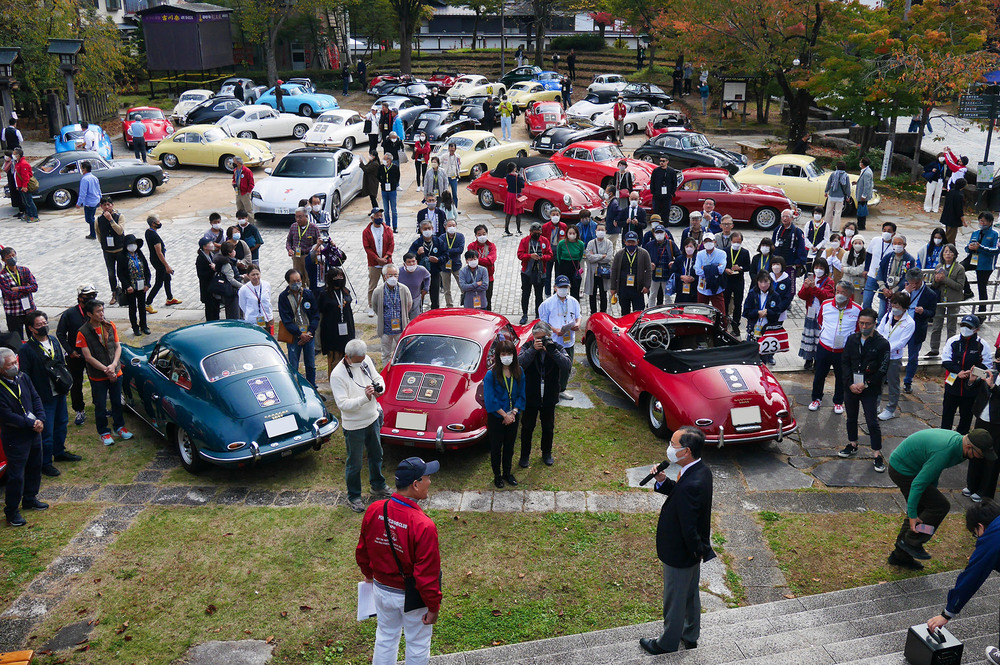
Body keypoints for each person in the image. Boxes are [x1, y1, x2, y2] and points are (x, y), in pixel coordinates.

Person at [355, 456, 440, 664]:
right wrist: (433, 607)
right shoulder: (424, 525)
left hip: (382, 591)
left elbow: (362, 551)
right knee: (417, 644)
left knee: (385, 637)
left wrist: (368, 575)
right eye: (427, 477)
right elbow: (426, 575)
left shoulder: (375, 509)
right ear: (416, 484)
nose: (430, 482)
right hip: (411, 596)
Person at [639, 427, 715, 656]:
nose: (669, 448)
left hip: (680, 553)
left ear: (686, 452)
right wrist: (663, 481)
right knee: (691, 594)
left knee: (674, 598)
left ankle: (667, 643)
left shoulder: (691, 484)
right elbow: (683, 499)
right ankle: (690, 635)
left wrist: (695, 551)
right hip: (692, 552)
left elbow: (688, 525)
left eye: (673, 445)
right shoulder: (701, 471)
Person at [887, 428, 994, 570]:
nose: (980, 458)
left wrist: (931, 491)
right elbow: (918, 484)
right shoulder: (945, 450)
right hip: (902, 469)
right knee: (940, 506)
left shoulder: (959, 447)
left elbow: (935, 470)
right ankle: (912, 542)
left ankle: (900, 556)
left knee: (925, 510)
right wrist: (912, 514)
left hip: (915, 468)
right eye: (980, 455)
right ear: (969, 447)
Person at [925, 501, 1000, 665]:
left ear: (980, 527)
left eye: (975, 533)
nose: (978, 538)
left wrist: (947, 613)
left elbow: (972, 577)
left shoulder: (992, 537)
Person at [332, 338, 390, 514]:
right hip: (354, 426)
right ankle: (354, 496)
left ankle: (378, 485)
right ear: (347, 357)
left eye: (362, 360)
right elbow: (343, 405)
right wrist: (364, 398)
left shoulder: (365, 361)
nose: (360, 364)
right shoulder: (337, 375)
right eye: (356, 362)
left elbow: (378, 377)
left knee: (377, 454)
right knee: (355, 463)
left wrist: (380, 387)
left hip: (372, 419)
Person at [19, 310, 78, 478]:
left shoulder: (53, 341)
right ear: (31, 328)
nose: (44, 327)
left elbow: (60, 362)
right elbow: (26, 375)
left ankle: (59, 452)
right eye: (39, 325)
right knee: (47, 431)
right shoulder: (26, 349)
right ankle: (45, 462)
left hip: (59, 391)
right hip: (44, 396)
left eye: (45, 323)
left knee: (62, 423)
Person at [0, 347, 48, 527]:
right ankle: (11, 512)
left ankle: (30, 498)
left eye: (15, 362)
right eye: (10, 364)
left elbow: (36, 398)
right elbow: (6, 415)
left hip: (33, 431)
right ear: (1, 369)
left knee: (35, 466)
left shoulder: (23, 377)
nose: (15, 366)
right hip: (15, 437)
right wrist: (31, 423)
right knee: (16, 476)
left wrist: (41, 419)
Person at [840, 307, 890, 472]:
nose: (864, 326)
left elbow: (883, 369)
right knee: (851, 418)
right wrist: (849, 384)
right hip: (851, 386)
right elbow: (845, 362)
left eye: (868, 324)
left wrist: (866, 383)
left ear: (874, 324)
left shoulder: (882, 344)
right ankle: (852, 443)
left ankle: (877, 454)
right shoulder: (852, 339)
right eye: (861, 323)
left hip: (869, 388)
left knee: (872, 421)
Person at [75, 299, 131, 447]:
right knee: (100, 404)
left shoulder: (110, 325)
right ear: (89, 314)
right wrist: (106, 369)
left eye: (102, 310)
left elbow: (118, 347)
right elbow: (88, 357)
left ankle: (119, 426)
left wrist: (113, 365)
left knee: (117, 401)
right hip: (98, 375)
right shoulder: (83, 332)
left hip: (115, 371)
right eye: (98, 311)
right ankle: (103, 432)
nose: (101, 314)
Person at [519, 321, 571, 468]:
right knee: (527, 427)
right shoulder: (528, 347)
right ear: (533, 337)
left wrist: (552, 351)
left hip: (549, 394)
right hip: (531, 395)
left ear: (550, 336)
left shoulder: (556, 348)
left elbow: (567, 365)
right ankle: (524, 456)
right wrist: (533, 350)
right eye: (538, 338)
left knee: (548, 427)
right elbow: (519, 364)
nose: (541, 341)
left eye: (544, 338)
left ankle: (546, 453)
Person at [808, 281, 862, 414]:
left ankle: (838, 402)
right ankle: (816, 399)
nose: (839, 295)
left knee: (842, 377)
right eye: (837, 291)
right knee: (819, 375)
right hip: (824, 347)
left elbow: (857, 330)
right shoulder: (826, 305)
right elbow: (820, 321)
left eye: (843, 292)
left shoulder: (857, 310)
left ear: (850, 294)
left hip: (843, 351)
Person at [483, 338, 527, 489]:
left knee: (509, 447)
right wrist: (505, 415)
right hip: (497, 418)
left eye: (509, 353)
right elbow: (490, 400)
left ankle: (507, 473)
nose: (506, 356)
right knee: (496, 448)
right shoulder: (491, 375)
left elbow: (522, 394)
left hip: (513, 416)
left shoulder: (519, 372)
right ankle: (497, 476)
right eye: (503, 353)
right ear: (498, 355)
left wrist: (513, 413)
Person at [942, 315, 993, 434]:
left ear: (976, 329)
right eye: (963, 325)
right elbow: (946, 360)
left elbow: (987, 365)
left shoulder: (982, 345)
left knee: (966, 418)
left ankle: (961, 441)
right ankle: (944, 437)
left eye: (969, 326)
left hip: (971, 389)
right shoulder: (953, 341)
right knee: (947, 415)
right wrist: (958, 371)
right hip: (952, 383)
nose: (965, 328)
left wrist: (973, 373)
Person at [57, 285, 97, 427]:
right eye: (88, 296)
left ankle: (99, 406)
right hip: (75, 356)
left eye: (93, 295)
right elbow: (60, 334)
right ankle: (79, 409)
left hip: (93, 354)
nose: (91, 298)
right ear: (80, 297)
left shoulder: (95, 311)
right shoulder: (69, 314)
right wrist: (70, 350)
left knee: (97, 381)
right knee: (76, 383)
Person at [537, 274, 581, 399]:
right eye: (561, 287)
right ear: (555, 287)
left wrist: (577, 324)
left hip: (568, 340)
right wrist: (555, 330)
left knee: (567, 366)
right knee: (552, 366)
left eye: (566, 287)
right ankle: (551, 389)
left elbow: (578, 316)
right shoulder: (547, 304)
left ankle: (562, 388)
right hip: (554, 341)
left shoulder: (573, 301)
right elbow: (543, 321)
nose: (563, 289)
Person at [875, 291, 915, 422]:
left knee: (893, 384)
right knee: (877, 382)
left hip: (894, 357)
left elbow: (902, 342)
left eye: (898, 306)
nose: (895, 308)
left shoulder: (909, 322)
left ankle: (891, 409)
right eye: (893, 305)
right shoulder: (888, 315)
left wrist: (885, 348)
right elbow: (880, 330)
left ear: (904, 307)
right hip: (881, 355)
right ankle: (875, 405)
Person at [278, 269, 319, 388]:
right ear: (288, 282)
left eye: (299, 281)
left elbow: (315, 315)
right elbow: (286, 319)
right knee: (294, 364)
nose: (297, 283)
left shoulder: (308, 294)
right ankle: (295, 388)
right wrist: (299, 334)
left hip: (309, 335)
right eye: (294, 281)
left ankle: (313, 388)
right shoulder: (284, 297)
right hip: (294, 336)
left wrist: (310, 332)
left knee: (310, 364)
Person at [901, 268, 937, 393]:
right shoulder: (905, 289)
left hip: (917, 328)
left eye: (916, 283)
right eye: (911, 282)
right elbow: (895, 303)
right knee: (893, 352)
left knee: (913, 357)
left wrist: (923, 311)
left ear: (922, 280)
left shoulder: (930, 294)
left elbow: (932, 312)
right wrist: (905, 292)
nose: (913, 285)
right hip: (901, 326)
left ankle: (908, 381)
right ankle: (889, 376)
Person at [929, 244, 966, 357]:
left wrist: (945, 279)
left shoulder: (959, 268)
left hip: (953, 300)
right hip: (940, 300)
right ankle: (934, 349)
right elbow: (933, 285)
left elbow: (959, 286)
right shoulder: (939, 266)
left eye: (950, 252)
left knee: (951, 326)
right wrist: (936, 280)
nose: (948, 254)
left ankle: (950, 349)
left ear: (954, 254)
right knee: (936, 326)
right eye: (945, 252)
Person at [797, 257, 835, 369]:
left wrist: (814, 288)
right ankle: (808, 359)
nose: (818, 270)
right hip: (810, 312)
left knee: (819, 337)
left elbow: (826, 296)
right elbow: (801, 295)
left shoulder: (829, 282)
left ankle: (819, 360)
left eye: (821, 268)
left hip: (822, 314)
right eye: (816, 267)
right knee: (809, 336)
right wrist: (806, 287)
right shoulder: (810, 279)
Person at [372, 264, 412, 364]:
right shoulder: (378, 291)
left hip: (400, 328)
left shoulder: (404, 289)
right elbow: (375, 307)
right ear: (385, 276)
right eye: (390, 275)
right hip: (386, 329)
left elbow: (409, 304)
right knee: (386, 354)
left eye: (396, 275)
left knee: (403, 352)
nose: (393, 277)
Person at [317, 267, 354, 371]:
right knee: (335, 359)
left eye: (341, 276)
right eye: (336, 276)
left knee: (347, 357)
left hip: (346, 329)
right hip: (332, 331)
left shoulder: (346, 292)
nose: (339, 278)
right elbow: (320, 311)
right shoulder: (324, 294)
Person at [517, 222, 553, 324]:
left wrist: (542, 257)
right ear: (530, 232)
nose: (537, 234)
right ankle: (524, 314)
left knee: (539, 295)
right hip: (527, 272)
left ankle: (538, 315)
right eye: (534, 232)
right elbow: (519, 255)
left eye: (539, 233)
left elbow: (550, 255)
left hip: (541, 272)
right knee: (525, 294)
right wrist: (530, 256)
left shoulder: (544, 241)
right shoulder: (524, 241)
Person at [116, 234, 152, 336]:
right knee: (132, 308)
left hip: (141, 286)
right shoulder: (122, 256)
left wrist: (148, 284)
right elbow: (120, 274)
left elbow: (146, 269)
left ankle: (144, 325)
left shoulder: (139, 254)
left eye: (134, 244)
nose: (133, 246)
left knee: (142, 306)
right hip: (131, 287)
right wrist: (127, 286)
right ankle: (135, 327)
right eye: (130, 244)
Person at [0, 247, 38, 339]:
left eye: (13, 255)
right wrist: (26, 289)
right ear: (3, 260)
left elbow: (34, 287)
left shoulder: (25, 270)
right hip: (14, 312)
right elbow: (10, 295)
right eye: (9, 257)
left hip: (29, 309)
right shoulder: (2, 275)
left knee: (34, 337)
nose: (12, 258)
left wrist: (18, 288)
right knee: (17, 339)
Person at [875, 233, 915, 320]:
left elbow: (907, 278)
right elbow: (880, 273)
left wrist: (893, 290)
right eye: (895, 243)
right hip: (885, 292)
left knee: (896, 316)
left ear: (904, 245)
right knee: (881, 315)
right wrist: (884, 289)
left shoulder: (910, 260)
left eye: (899, 243)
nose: (897, 246)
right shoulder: (887, 257)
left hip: (899, 294)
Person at [363, 208, 394, 317]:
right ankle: (371, 306)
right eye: (377, 216)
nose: (380, 218)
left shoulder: (387, 229)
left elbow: (391, 244)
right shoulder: (366, 232)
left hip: (386, 262)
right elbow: (367, 248)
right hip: (374, 263)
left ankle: (390, 304)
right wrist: (377, 259)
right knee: (372, 286)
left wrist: (386, 257)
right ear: (372, 218)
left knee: (389, 283)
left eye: (381, 216)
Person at [610, 232, 651, 315]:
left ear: (637, 242)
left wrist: (647, 286)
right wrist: (613, 287)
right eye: (629, 242)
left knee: (639, 312)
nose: (631, 244)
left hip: (637, 288)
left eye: (633, 242)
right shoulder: (619, 254)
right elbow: (614, 271)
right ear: (624, 242)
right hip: (623, 288)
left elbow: (648, 270)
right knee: (625, 312)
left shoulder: (644, 253)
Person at [144, 215, 178, 311]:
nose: (159, 223)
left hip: (154, 259)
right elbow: (159, 252)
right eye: (157, 222)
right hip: (158, 261)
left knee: (167, 278)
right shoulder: (154, 236)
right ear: (153, 224)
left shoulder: (148, 232)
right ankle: (148, 303)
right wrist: (166, 265)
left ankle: (170, 298)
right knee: (159, 282)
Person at [968, 212, 999, 313]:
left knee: (982, 287)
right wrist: (969, 248)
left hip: (985, 264)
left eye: (984, 221)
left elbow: (995, 250)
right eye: (980, 220)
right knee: (959, 268)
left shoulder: (995, 234)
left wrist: (980, 247)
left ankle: (982, 312)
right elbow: (967, 247)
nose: (982, 223)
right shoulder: (975, 233)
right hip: (974, 259)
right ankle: (967, 291)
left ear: (990, 222)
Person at [771, 209, 807, 294]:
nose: (785, 218)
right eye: (783, 216)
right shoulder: (778, 229)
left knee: (790, 283)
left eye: (787, 216)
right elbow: (772, 243)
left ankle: (788, 299)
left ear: (791, 218)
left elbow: (801, 246)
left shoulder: (797, 231)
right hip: (778, 262)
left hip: (790, 263)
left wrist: (799, 260)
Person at [96, 197, 125, 303]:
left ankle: (125, 292)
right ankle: (114, 293)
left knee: (122, 272)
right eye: (104, 205)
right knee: (111, 273)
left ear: (112, 205)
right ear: (101, 207)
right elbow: (99, 234)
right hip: (108, 251)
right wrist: (104, 245)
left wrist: (111, 220)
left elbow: (120, 231)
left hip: (120, 249)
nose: (107, 207)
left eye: (109, 204)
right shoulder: (98, 219)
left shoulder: (119, 216)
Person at [410, 220, 444, 311]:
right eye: (425, 229)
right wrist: (417, 254)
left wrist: (438, 260)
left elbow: (446, 255)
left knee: (435, 297)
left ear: (432, 229)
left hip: (435, 272)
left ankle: (435, 315)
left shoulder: (439, 242)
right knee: (419, 296)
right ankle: (418, 313)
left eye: (429, 228)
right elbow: (408, 258)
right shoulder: (417, 243)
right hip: (420, 275)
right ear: (421, 230)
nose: (427, 230)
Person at [863, 221, 897, 309]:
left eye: (889, 231)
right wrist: (866, 269)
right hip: (872, 275)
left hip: (885, 278)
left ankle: (880, 321)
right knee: (866, 301)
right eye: (884, 230)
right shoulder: (875, 240)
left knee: (883, 305)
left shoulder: (894, 245)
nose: (886, 233)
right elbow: (869, 255)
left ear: (893, 234)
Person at [694, 232, 727, 318]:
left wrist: (704, 268)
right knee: (700, 313)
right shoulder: (700, 254)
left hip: (716, 287)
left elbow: (721, 270)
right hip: (702, 288)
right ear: (703, 243)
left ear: (714, 242)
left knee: (721, 314)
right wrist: (714, 267)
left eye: (710, 241)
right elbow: (697, 271)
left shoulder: (721, 253)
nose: (708, 243)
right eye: (706, 241)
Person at [724, 232, 751, 335]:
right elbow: (721, 265)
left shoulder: (745, 252)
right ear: (731, 241)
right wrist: (726, 269)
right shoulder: (725, 251)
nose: (736, 244)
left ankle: (736, 324)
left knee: (738, 303)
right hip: (727, 280)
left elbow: (748, 266)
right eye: (734, 242)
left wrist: (741, 268)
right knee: (725, 302)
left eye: (738, 242)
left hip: (738, 280)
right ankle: (725, 321)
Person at [286, 207, 320, 289]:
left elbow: (318, 242)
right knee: (298, 279)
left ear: (306, 216)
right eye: (296, 217)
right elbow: (288, 241)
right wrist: (289, 249)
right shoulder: (293, 227)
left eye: (300, 217)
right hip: (296, 257)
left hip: (308, 257)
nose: (298, 219)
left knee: (309, 278)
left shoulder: (313, 227)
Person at [644, 224, 678, 307]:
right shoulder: (649, 245)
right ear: (654, 234)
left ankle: (668, 312)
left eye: (661, 232)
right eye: (657, 233)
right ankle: (650, 312)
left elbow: (679, 256)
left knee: (668, 296)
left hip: (667, 275)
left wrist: (674, 262)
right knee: (652, 296)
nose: (659, 234)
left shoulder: (670, 244)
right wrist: (649, 264)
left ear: (665, 233)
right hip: (654, 275)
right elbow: (644, 258)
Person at [585, 222, 614, 314]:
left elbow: (609, 258)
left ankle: (603, 311)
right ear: (595, 231)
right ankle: (593, 311)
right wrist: (602, 256)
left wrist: (596, 257)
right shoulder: (591, 243)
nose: (600, 232)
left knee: (603, 292)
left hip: (604, 272)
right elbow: (589, 257)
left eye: (602, 230)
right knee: (592, 293)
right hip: (593, 272)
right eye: (599, 230)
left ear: (605, 231)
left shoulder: (609, 243)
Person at [468, 226, 497, 308]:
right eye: (479, 234)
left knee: (488, 300)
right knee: (475, 301)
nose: (482, 236)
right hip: (474, 278)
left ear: (487, 234)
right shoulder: (471, 246)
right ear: (476, 236)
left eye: (484, 234)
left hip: (488, 277)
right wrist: (483, 260)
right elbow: (470, 260)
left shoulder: (491, 246)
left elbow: (491, 260)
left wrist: (477, 260)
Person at [214, 240, 244, 320]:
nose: (235, 251)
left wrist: (240, 276)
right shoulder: (226, 264)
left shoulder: (230, 262)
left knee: (238, 312)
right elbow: (231, 279)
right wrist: (243, 286)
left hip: (233, 291)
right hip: (231, 292)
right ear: (230, 253)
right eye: (233, 250)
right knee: (234, 314)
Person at [238, 265, 273, 332]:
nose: (256, 277)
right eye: (253, 275)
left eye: (257, 274)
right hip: (252, 320)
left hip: (267, 318)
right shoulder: (244, 289)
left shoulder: (266, 285)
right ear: (248, 275)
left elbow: (268, 300)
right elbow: (242, 305)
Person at [554, 225, 585, 301]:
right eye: (570, 233)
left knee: (575, 287)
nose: (571, 235)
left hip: (574, 266)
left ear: (576, 234)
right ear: (567, 233)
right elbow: (558, 255)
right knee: (561, 287)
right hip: (563, 266)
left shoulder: (580, 244)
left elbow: (580, 255)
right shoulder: (562, 243)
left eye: (573, 233)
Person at [439, 219, 464, 308]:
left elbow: (460, 250)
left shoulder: (460, 236)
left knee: (463, 286)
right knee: (446, 289)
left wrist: (447, 251)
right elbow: (441, 251)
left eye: (453, 225)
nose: (452, 227)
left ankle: (465, 302)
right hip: (444, 266)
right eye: (449, 226)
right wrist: (452, 251)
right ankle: (449, 306)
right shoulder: (442, 237)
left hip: (456, 265)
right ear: (445, 227)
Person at [399, 253, 430, 319]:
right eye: (409, 262)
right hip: (402, 300)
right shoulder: (399, 272)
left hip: (416, 299)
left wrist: (426, 288)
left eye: (413, 261)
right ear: (404, 264)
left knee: (415, 320)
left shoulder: (421, 270)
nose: (412, 264)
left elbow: (428, 277)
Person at [76, 160, 102, 239]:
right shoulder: (94, 178)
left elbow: (83, 193)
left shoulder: (85, 179)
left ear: (84, 169)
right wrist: (100, 197)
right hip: (95, 200)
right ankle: (93, 232)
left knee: (89, 219)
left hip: (89, 203)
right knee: (91, 218)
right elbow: (98, 189)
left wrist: (79, 202)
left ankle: (94, 233)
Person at [12, 148, 38, 223]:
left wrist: (24, 186)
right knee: (25, 202)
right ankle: (29, 214)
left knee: (29, 201)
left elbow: (25, 177)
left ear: (18, 155)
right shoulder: (18, 163)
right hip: (20, 186)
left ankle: (34, 216)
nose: (13, 155)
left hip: (24, 186)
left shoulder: (23, 164)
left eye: (14, 154)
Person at [377, 152, 401, 232]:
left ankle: (395, 226)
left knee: (393, 209)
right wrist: (383, 182)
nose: (383, 160)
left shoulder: (395, 167)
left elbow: (398, 176)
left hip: (392, 190)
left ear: (389, 160)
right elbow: (378, 176)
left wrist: (394, 183)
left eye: (385, 159)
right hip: (384, 190)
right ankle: (387, 225)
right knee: (386, 210)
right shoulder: (381, 167)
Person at [940, 178, 967, 246]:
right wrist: (963, 221)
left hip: (947, 216)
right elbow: (959, 210)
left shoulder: (950, 192)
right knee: (950, 237)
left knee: (949, 234)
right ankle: (947, 249)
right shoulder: (959, 195)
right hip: (953, 219)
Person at [673, 238, 699, 305]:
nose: (689, 248)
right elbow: (673, 273)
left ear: (695, 248)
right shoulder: (679, 259)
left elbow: (702, 274)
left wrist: (693, 279)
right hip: (681, 289)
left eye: (691, 246)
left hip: (694, 289)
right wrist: (681, 277)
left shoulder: (698, 259)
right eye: (687, 246)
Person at [503, 162, 526, 236]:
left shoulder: (508, 176)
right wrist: (520, 176)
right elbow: (522, 185)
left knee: (508, 213)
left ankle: (506, 230)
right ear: (514, 168)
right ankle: (518, 230)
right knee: (518, 214)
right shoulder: (517, 177)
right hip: (516, 196)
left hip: (510, 195)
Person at [442, 142, 462, 209]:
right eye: (450, 150)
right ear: (448, 149)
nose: (452, 151)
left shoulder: (457, 156)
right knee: (445, 193)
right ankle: (445, 207)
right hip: (446, 176)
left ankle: (455, 208)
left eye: (453, 150)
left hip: (454, 177)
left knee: (455, 194)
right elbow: (440, 162)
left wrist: (458, 174)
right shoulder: (444, 156)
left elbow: (459, 165)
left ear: (455, 149)